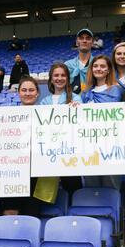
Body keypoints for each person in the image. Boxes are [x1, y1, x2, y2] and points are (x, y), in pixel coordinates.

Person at [0, 77, 57, 216]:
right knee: (10, 210)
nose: (27, 93)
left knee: (30, 213)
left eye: (31, 90)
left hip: (36, 171)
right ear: (18, 93)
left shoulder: (48, 115)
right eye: (24, 90)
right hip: (12, 171)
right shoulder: (7, 116)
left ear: (37, 93)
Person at [40, 62, 83, 200]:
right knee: (48, 193)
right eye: (56, 75)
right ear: (51, 79)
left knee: (72, 189)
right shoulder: (44, 101)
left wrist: (78, 110)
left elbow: (81, 124)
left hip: (69, 152)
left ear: (68, 78)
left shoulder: (76, 98)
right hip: (49, 152)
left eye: (63, 75)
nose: (59, 78)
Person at [81, 55, 123, 190]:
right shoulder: (86, 93)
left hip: (111, 146)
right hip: (89, 146)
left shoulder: (116, 90)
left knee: (111, 183)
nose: (99, 69)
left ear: (109, 70)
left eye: (103, 66)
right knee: (91, 184)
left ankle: (113, 211)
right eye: (95, 66)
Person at [65, 28, 94, 95]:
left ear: (92, 43)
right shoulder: (68, 65)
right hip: (73, 102)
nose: (84, 41)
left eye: (88, 38)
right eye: (81, 38)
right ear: (77, 42)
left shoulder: (97, 64)